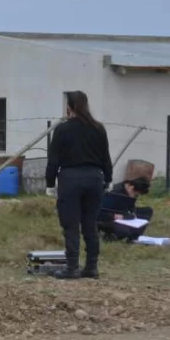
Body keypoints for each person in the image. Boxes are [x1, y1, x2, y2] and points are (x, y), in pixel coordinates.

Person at [45, 90, 112, 280]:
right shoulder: (98, 128)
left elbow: (53, 160)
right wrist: (108, 178)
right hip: (94, 178)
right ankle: (91, 267)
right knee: (90, 225)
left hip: (70, 178)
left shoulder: (63, 129)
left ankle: (72, 267)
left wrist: (50, 183)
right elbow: (106, 157)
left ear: (70, 106)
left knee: (71, 224)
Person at [97, 176, 153, 241]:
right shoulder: (115, 193)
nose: (136, 197)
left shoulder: (129, 194)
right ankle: (111, 236)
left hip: (123, 215)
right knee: (124, 232)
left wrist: (132, 211)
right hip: (109, 219)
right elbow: (100, 212)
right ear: (131, 188)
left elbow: (131, 209)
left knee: (148, 211)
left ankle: (135, 236)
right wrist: (117, 216)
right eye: (136, 195)